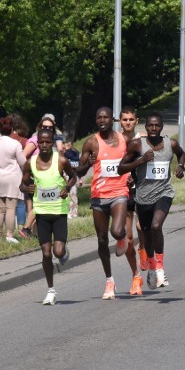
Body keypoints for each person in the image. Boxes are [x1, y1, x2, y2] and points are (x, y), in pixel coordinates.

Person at [119, 112, 185, 290]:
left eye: (157, 125)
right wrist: (140, 160)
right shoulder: (136, 145)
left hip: (164, 193)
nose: (154, 129)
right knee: (147, 234)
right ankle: (150, 263)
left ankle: (160, 268)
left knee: (157, 226)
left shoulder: (170, 144)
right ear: (145, 127)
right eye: (150, 126)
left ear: (162, 127)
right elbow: (121, 168)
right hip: (143, 197)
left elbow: (181, 154)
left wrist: (180, 167)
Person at [75, 106, 130, 300]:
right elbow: (79, 172)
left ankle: (122, 236)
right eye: (99, 118)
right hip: (99, 195)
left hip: (119, 192)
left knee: (115, 231)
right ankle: (109, 280)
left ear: (112, 119)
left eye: (106, 117)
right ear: (96, 120)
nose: (102, 120)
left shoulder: (124, 139)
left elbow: (133, 159)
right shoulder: (91, 142)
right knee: (101, 240)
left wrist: (132, 176)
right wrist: (88, 164)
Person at [19, 128, 76, 305]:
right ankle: (51, 290)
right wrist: (27, 189)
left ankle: (64, 251)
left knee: (57, 251)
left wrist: (66, 188)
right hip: (41, 212)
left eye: (47, 142)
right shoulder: (30, 163)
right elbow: (23, 184)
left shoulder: (61, 161)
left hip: (59, 211)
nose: (44, 145)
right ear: (38, 144)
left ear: (52, 143)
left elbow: (73, 177)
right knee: (45, 252)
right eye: (41, 142)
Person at [118, 106, 146, 295]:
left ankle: (143, 248)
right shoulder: (115, 140)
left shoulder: (142, 139)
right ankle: (136, 276)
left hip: (141, 188)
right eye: (124, 119)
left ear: (136, 121)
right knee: (127, 238)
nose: (128, 122)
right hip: (122, 190)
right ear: (120, 121)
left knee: (141, 227)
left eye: (131, 119)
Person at [21, 114, 63, 236]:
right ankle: (26, 229)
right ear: (39, 127)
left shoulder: (52, 140)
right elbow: (23, 156)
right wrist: (31, 171)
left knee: (43, 205)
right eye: (44, 126)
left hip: (49, 177)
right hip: (37, 177)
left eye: (50, 127)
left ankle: (35, 233)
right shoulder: (35, 140)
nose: (47, 129)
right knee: (41, 204)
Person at [0, 115, 26, 242]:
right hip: (13, 178)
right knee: (11, 208)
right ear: (11, 129)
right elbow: (22, 162)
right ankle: (9, 235)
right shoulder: (15, 144)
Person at [62, 140, 81, 218]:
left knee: (69, 194)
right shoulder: (77, 153)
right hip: (75, 176)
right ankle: (74, 212)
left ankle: (69, 212)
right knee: (74, 195)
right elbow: (78, 166)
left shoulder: (65, 154)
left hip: (67, 175)